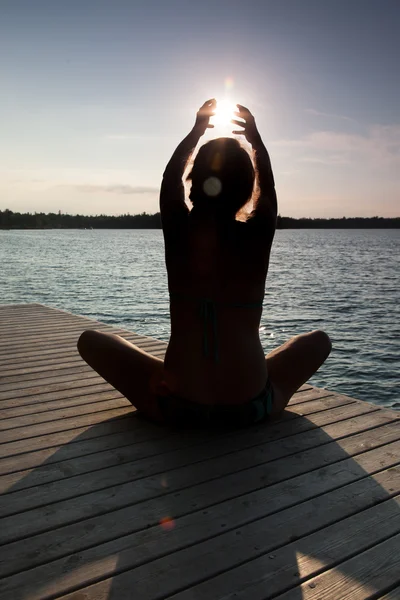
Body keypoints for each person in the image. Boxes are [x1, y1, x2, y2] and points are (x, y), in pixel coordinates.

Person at [77, 99, 331, 427]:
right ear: (245, 190)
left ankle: (181, 372)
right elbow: (268, 192)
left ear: (193, 182)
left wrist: (195, 132)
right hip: (251, 407)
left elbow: (169, 179)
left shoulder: (177, 229)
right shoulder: (257, 236)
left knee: (90, 341)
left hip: (177, 406)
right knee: (319, 342)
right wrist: (256, 142)